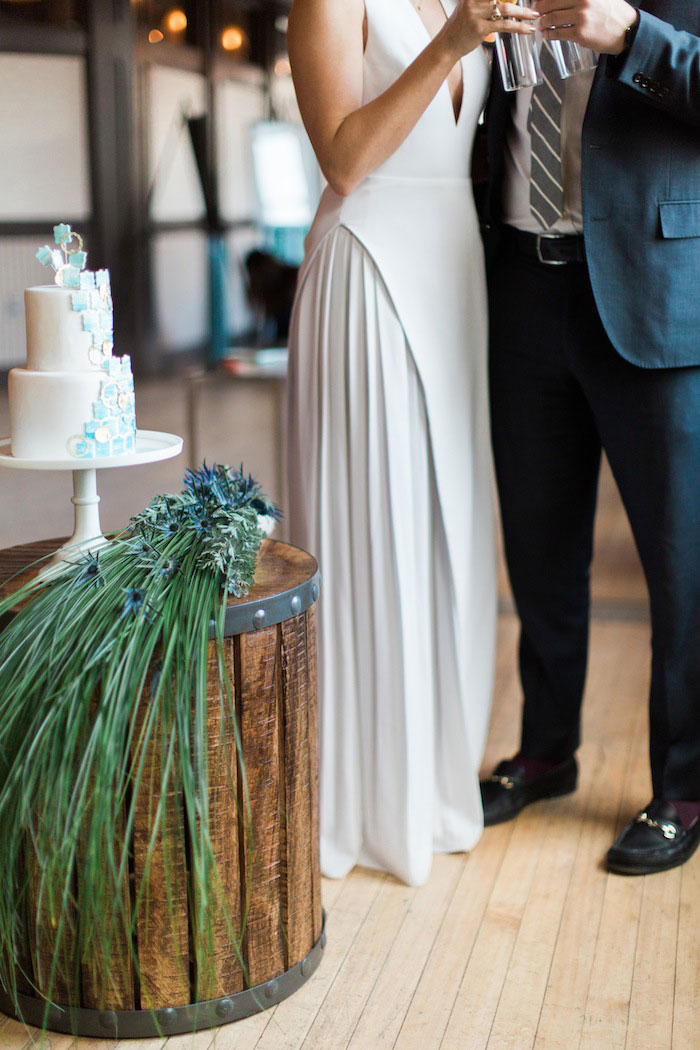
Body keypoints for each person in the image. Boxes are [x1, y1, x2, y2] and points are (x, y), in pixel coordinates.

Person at [285, 0, 537, 886]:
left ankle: (433, 782)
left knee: (450, 538)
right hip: (371, 263)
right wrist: (451, 43)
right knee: (376, 539)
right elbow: (344, 160)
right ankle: (365, 802)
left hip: (455, 269)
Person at [480, 0, 700, 875]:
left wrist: (631, 36)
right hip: (520, 288)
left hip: (654, 289)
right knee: (538, 551)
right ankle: (545, 753)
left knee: (681, 567)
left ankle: (684, 787)